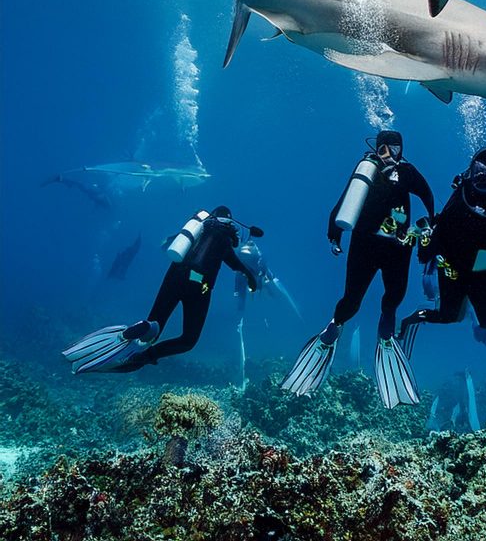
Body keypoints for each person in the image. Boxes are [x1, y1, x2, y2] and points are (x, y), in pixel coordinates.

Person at [281, 129, 433, 407]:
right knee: (360, 299)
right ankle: (343, 328)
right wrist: (334, 235)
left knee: (387, 298)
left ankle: (365, 330)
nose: (391, 154)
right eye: (386, 148)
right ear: (377, 148)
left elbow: (426, 196)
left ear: (401, 148)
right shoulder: (370, 170)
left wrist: (334, 234)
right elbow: (345, 202)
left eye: (395, 148)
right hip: (375, 246)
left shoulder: (399, 172)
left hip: (388, 246)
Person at [63, 205, 260, 373]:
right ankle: (146, 357)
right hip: (199, 287)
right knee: (188, 340)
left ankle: (145, 328)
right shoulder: (224, 239)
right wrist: (251, 279)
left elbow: (167, 244)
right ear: (230, 223)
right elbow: (237, 266)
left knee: (155, 325)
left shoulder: (197, 231)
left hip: (174, 277)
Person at [398, 146, 486, 361]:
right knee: (449, 316)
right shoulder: (461, 197)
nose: (485, 178)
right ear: (471, 170)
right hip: (453, 269)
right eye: (480, 170)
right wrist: (428, 247)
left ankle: (467, 305)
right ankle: (411, 319)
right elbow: (431, 247)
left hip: (483, 271)